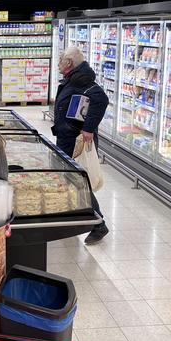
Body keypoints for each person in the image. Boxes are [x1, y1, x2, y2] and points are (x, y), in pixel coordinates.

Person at [52, 46, 110, 245]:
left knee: (79, 181)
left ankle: (99, 224)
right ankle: (74, 215)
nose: (58, 64)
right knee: (70, 178)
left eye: (61, 61)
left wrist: (88, 128)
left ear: (69, 63)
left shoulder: (81, 79)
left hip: (75, 139)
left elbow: (101, 99)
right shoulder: (75, 78)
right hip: (67, 136)